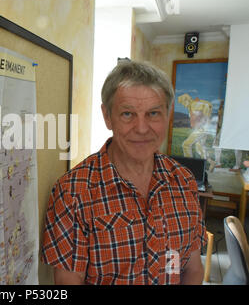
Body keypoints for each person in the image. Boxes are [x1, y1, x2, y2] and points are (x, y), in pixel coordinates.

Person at [41, 61, 207, 285]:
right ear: (107, 116)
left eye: (153, 113)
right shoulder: (72, 193)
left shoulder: (184, 181)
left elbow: (192, 269)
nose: (141, 128)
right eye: (128, 114)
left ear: (167, 115)